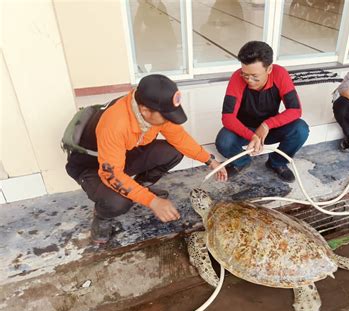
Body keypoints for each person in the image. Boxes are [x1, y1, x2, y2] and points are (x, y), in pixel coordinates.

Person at [65, 74, 227, 244]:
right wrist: (152, 201)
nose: (169, 120)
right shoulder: (115, 124)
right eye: (166, 116)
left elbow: (180, 139)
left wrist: (210, 160)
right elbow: (110, 174)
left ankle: (139, 189)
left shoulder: (156, 110)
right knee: (118, 201)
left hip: (123, 155)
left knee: (173, 152)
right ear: (145, 110)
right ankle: (102, 217)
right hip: (92, 167)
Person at [215, 41, 309, 183]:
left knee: (300, 129)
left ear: (269, 69)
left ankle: (276, 162)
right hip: (245, 129)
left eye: (254, 76)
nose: (249, 80)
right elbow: (227, 117)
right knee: (223, 140)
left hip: (270, 130)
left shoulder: (280, 74)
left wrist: (266, 125)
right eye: (245, 75)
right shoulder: (237, 77)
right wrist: (252, 136)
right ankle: (242, 161)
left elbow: (295, 110)